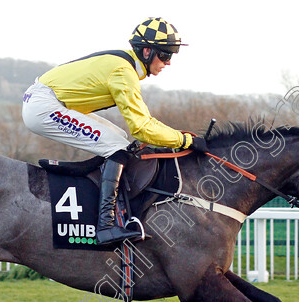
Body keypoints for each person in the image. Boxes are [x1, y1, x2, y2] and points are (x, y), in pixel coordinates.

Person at [22, 17, 208, 245]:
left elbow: (145, 122)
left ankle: (87, 174)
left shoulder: (125, 65)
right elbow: (141, 128)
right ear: (147, 51)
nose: (168, 62)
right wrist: (184, 140)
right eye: (165, 55)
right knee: (117, 146)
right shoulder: (123, 72)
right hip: (44, 106)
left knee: (120, 140)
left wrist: (181, 137)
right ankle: (105, 227)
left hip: (49, 101)